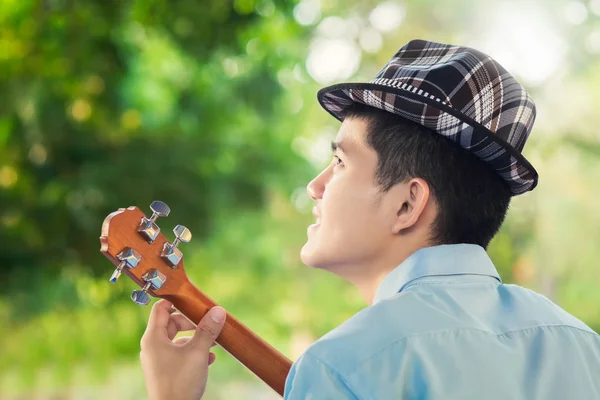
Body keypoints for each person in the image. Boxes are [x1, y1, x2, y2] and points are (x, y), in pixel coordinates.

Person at [139, 40, 600, 399]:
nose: (316, 186)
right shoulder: (580, 344)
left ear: (407, 204)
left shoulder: (343, 365)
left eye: (340, 162)